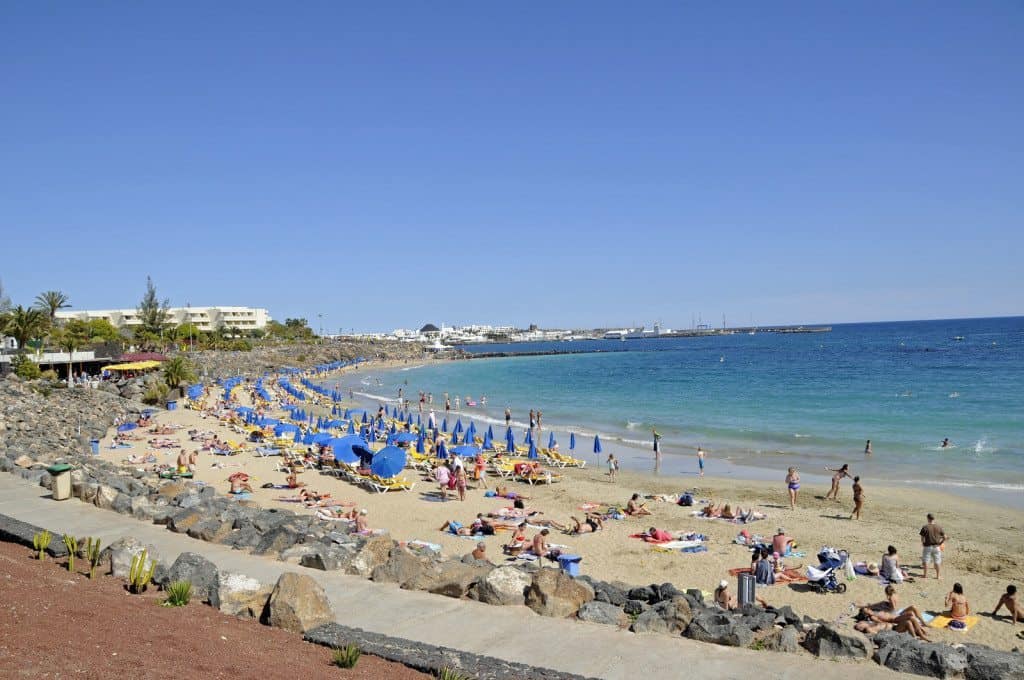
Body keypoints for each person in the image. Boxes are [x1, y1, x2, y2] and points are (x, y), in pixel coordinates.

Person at [920, 513, 946, 579]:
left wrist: (923, 543)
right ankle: (937, 576)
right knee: (937, 561)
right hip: (936, 547)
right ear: (934, 519)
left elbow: (922, 538)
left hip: (927, 546)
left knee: (926, 561)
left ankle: (925, 575)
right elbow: (945, 537)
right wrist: (940, 543)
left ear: (928, 518)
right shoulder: (939, 527)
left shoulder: (925, 527)